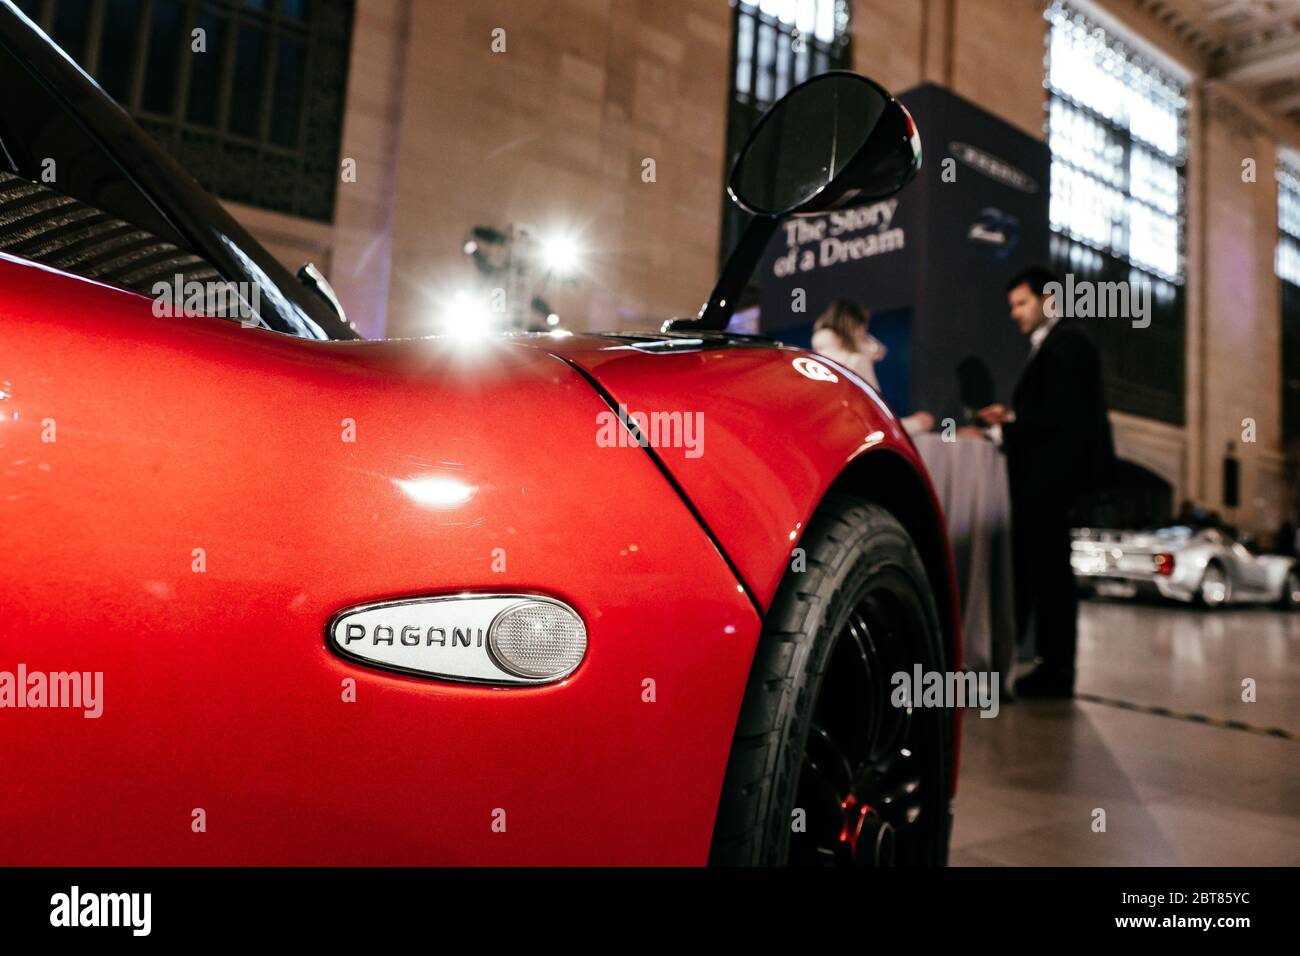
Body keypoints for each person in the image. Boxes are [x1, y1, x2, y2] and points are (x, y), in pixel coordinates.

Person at [977, 267, 1115, 699]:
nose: (1015, 314)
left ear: (1048, 300)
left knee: (1049, 578)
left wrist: (1006, 431)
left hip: (1050, 484)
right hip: (1047, 481)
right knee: (1045, 575)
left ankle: (1054, 674)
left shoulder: (1067, 343)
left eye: (1021, 303)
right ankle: (1047, 669)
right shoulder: (1058, 346)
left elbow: (1059, 418)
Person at [811, 300, 935, 435]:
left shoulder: (817, 360)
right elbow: (873, 417)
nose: (865, 334)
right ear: (856, 327)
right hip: (857, 436)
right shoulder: (855, 361)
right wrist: (915, 424)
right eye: (864, 328)